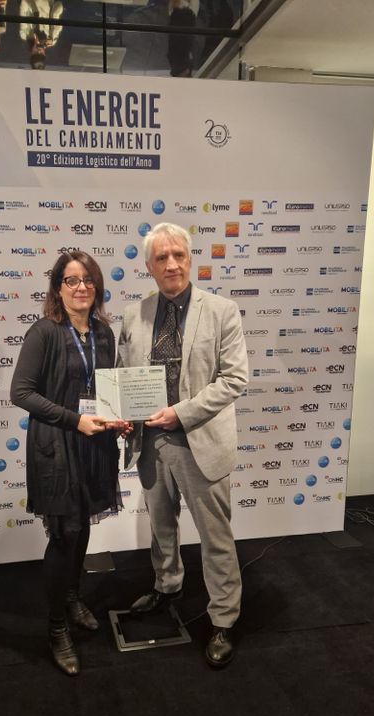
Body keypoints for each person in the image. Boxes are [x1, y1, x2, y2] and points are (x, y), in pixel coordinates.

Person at [117, 222, 249, 667]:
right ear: (148, 266)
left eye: (178, 255)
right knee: (161, 527)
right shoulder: (133, 314)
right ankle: (167, 585)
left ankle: (224, 618)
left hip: (201, 441)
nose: (171, 264)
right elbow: (123, 375)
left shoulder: (222, 311)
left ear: (190, 259)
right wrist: (121, 414)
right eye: (162, 257)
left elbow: (234, 379)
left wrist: (182, 413)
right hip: (152, 443)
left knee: (215, 537)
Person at [10, 250, 127, 676]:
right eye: (71, 280)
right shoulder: (43, 332)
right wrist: (75, 420)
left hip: (94, 443)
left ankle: (74, 597)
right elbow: (21, 393)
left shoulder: (103, 333)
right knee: (65, 534)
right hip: (57, 445)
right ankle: (57, 626)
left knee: (83, 528)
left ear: (97, 286)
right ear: (58, 288)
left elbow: (107, 387)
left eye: (88, 280)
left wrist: (117, 418)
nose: (81, 287)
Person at [19, 0, 63, 69]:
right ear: (44, 53)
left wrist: (35, 13)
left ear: (32, 52)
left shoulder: (25, 34)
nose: (39, 50)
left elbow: (24, 2)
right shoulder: (51, 38)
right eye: (41, 53)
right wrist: (52, 35)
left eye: (36, 53)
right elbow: (59, 5)